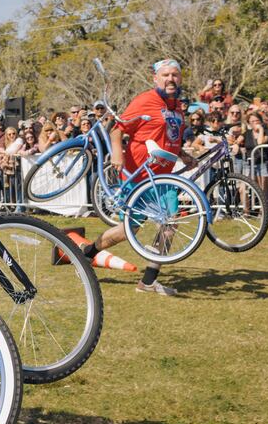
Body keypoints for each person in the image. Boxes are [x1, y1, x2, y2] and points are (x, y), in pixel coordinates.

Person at [79, 58, 197, 296]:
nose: (171, 79)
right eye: (165, 75)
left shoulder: (177, 107)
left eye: (175, 75)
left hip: (164, 179)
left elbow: (168, 136)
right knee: (127, 230)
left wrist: (183, 155)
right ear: (156, 78)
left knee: (170, 225)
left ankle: (148, 281)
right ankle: (85, 255)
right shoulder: (145, 100)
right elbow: (118, 130)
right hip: (140, 176)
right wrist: (117, 154)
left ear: (180, 78)